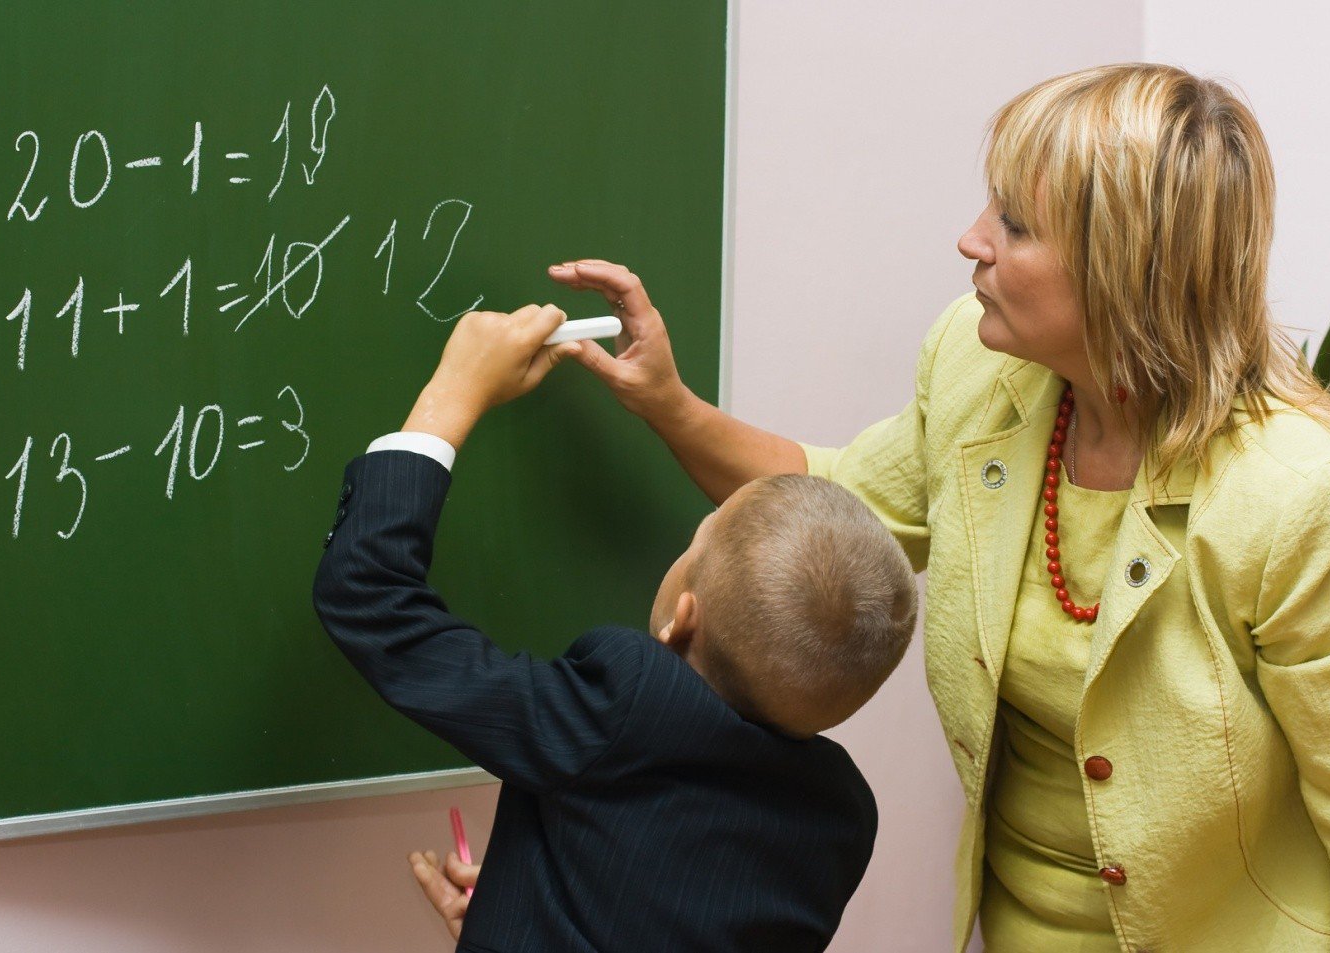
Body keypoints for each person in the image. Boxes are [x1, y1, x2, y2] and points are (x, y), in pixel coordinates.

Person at [416, 63, 1330, 951]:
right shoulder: (980, 360)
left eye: (1016, 222)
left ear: (1125, 269)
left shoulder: (1297, 499)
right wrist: (671, 405)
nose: (972, 239)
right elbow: (837, 503)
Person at [312, 304, 921, 953]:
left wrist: (450, 396)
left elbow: (369, 596)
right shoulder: (840, 818)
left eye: (698, 537)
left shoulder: (620, 711)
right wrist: (533, 910)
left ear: (683, 618)